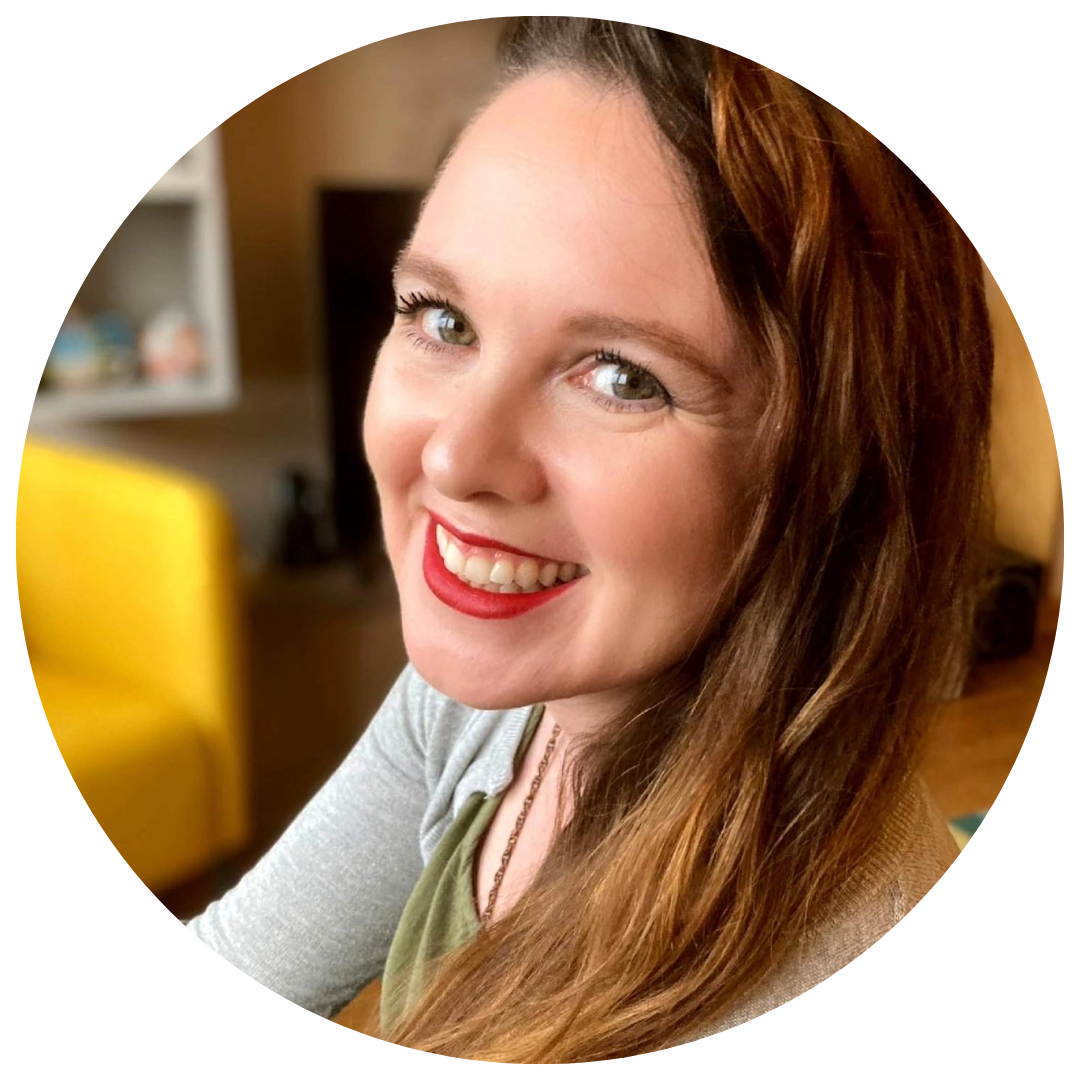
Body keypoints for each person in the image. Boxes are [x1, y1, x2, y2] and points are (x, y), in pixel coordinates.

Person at [184, 19, 993, 1061]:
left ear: (838, 475)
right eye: (442, 318)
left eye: (622, 377)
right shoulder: (475, 706)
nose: (456, 458)